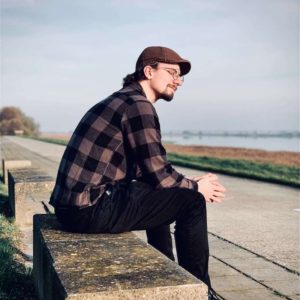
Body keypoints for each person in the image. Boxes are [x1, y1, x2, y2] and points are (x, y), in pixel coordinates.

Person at [50, 46, 226, 299]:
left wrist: (186, 182)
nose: (177, 81)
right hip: (88, 209)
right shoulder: (137, 105)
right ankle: (200, 291)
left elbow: (151, 176)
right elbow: (158, 172)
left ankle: (170, 271)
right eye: (171, 72)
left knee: (166, 191)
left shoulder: (124, 100)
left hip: (75, 207)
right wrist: (196, 188)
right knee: (192, 202)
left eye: (180, 76)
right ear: (148, 71)